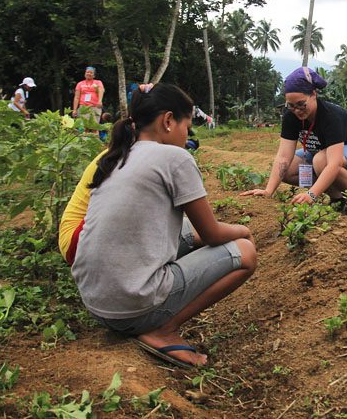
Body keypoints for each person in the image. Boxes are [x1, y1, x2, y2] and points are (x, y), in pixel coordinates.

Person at [71, 83, 256, 368]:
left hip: (97, 303)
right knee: (244, 252)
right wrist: (243, 230)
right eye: (187, 125)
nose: (187, 135)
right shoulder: (176, 158)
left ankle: (154, 311)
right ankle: (163, 329)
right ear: (168, 121)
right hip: (131, 309)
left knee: (184, 230)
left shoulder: (116, 156)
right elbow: (212, 233)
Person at [244, 67, 347, 206]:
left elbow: (335, 162)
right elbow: (283, 157)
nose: (297, 110)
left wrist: (311, 194)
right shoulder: (291, 117)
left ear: (314, 94)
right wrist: (268, 191)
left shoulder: (331, 116)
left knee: (321, 160)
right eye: (291, 106)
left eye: (301, 104)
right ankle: (337, 198)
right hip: (322, 153)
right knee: (287, 170)